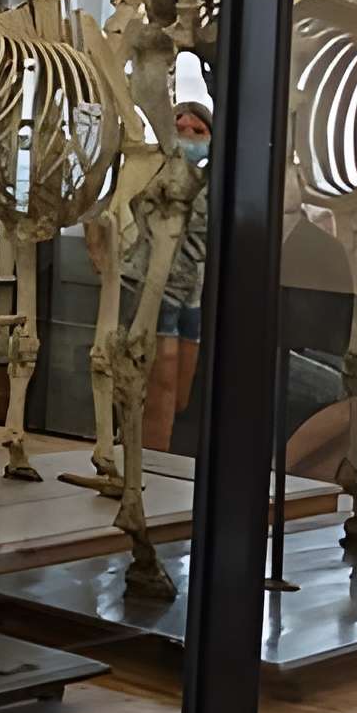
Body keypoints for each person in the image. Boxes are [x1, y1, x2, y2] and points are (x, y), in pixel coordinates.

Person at [135, 101, 212, 454]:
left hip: (192, 293)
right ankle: (151, 460)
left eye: (197, 132)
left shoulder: (213, 185)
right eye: (180, 130)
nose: (188, 137)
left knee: (180, 387)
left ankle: (157, 453)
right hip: (158, 284)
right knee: (161, 376)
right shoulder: (150, 176)